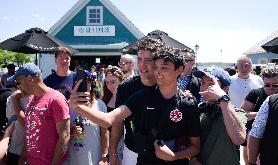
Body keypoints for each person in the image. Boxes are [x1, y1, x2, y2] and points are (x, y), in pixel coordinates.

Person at [70, 47, 201, 165]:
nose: (158, 72)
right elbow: (108, 120)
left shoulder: (188, 104)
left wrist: (174, 156)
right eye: (156, 67)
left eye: (164, 67)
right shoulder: (141, 97)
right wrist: (78, 107)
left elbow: (195, 146)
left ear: (179, 70)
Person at [111, 37, 165, 165]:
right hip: (133, 151)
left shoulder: (167, 85)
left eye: (148, 60)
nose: (142, 65)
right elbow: (117, 122)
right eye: (140, 59)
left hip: (163, 152)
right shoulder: (125, 88)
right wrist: (112, 152)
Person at [8, 63, 70, 165]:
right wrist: (22, 159)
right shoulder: (32, 99)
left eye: (18, 83)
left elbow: (64, 137)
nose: (18, 87)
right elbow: (30, 132)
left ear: (29, 79)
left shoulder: (56, 99)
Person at [190, 66, 247, 165]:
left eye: (211, 84)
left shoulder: (236, 113)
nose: (205, 87)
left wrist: (223, 99)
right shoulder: (198, 111)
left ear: (225, 89)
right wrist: (192, 160)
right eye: (203, 83)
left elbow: (239, 139)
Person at [241, 65, 278, 164]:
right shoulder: (255, 94)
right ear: (263, 81)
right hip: (253, 135)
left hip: (274, 137)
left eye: (275, 85)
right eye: (267, 85)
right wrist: (261, 114)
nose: (271, 88)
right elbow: (242, 113)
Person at [66, 80, 109, 165]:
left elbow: (105, 134)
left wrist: (104, 156)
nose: (84, 86)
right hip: (73, 159)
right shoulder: (68, 105)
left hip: (93, 159)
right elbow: (61, 134)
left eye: (87, 83)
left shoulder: (100, 105)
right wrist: (71, 132)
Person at [248, 91, 278, 165]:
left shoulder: (272, 100)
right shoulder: (272, 100)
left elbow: (256, 134)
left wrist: (252, 162)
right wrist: (252, 162)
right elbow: (256, 133)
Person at [102, 65, 125, 162]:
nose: (109, 85)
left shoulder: (127, 99)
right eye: (107, 82)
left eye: (113, 82)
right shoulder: (105, 99)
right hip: (107, 138)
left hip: (123, 140)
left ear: (120, 80)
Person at [5, 90, 29, 165]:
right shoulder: (11, 98)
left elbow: (22, 122)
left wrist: (14, 100)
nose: (18, 85)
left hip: (23, 150)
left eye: (19, 82)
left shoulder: (12, 98)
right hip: (15, 148)